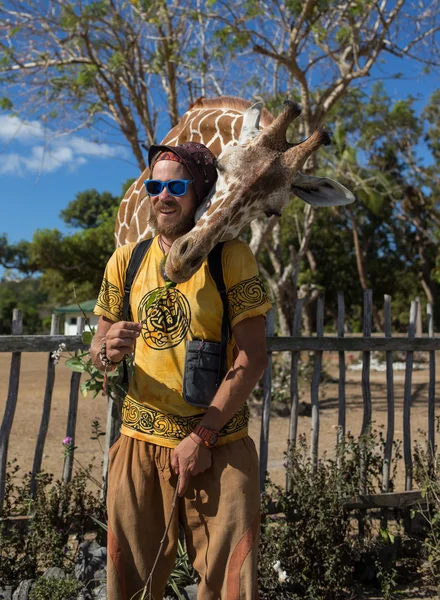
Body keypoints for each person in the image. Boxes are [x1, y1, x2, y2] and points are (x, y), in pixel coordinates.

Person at [90, 141, 272, 600]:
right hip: (139, 446)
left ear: (200, 192)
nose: (163, 195)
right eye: (156, 185)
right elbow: (97, 349)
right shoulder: (126, 261)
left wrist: (202, 437)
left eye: (176, 185)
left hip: (219, 449)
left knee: (230, 586)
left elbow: (252, 357)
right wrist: (106, 350)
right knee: (129, 584)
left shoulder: (229, 257)